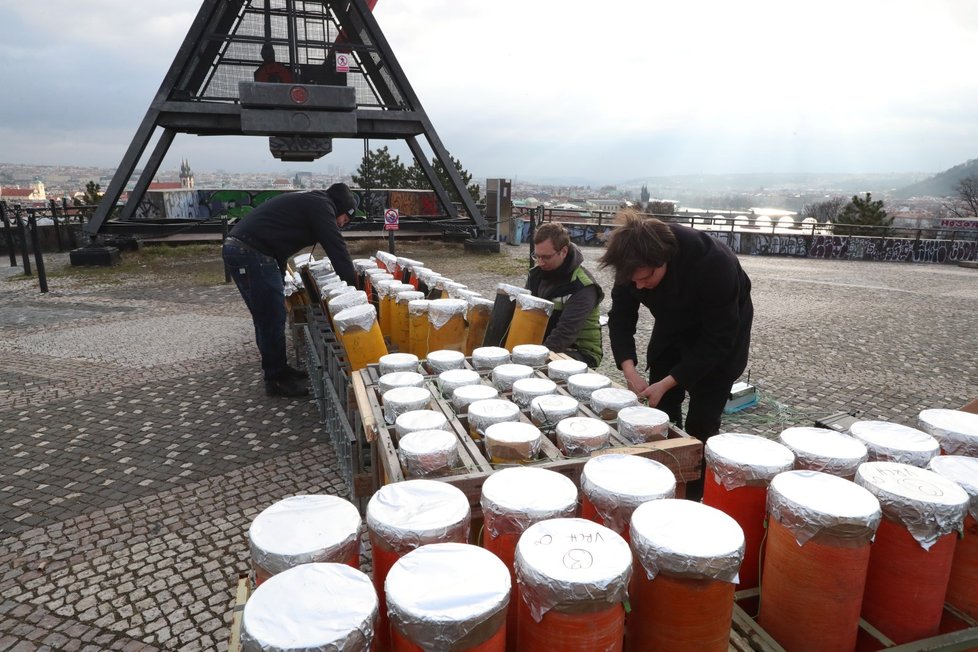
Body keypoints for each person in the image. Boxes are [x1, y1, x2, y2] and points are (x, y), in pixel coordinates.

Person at [599, 209, 753, 501]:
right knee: (661, 412)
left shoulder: (714, 264)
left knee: (701, 424)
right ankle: (662, 481)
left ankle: (693, 493)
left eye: (646, 279)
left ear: (663, 260)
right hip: (672, 326)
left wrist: (671, 380)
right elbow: (620, 317)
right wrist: (629, 370)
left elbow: (718, 340)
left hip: (722, 336)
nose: (639, 287)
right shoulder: (631, 264)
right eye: (633, 282)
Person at [223, 183, 359, 397]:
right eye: (345, 220)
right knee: (271, 316)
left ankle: (279, 370)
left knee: (268, 315)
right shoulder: (322, 206)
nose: (343, 225)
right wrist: (354, 290)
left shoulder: (314, 201)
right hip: (250, 252)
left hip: (252, 251)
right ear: (342, 208)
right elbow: (337, 248)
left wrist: (278, 271)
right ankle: (276, 380)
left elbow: (279, 237)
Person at [525, 222, 604, 367]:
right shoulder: (536, 275)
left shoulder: (583, 286)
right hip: (546, 342)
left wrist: (531, 360)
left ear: (563, 252)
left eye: (546, 257)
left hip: (580, 351)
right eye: (537, 256)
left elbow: (564, 334)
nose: (540, 263)